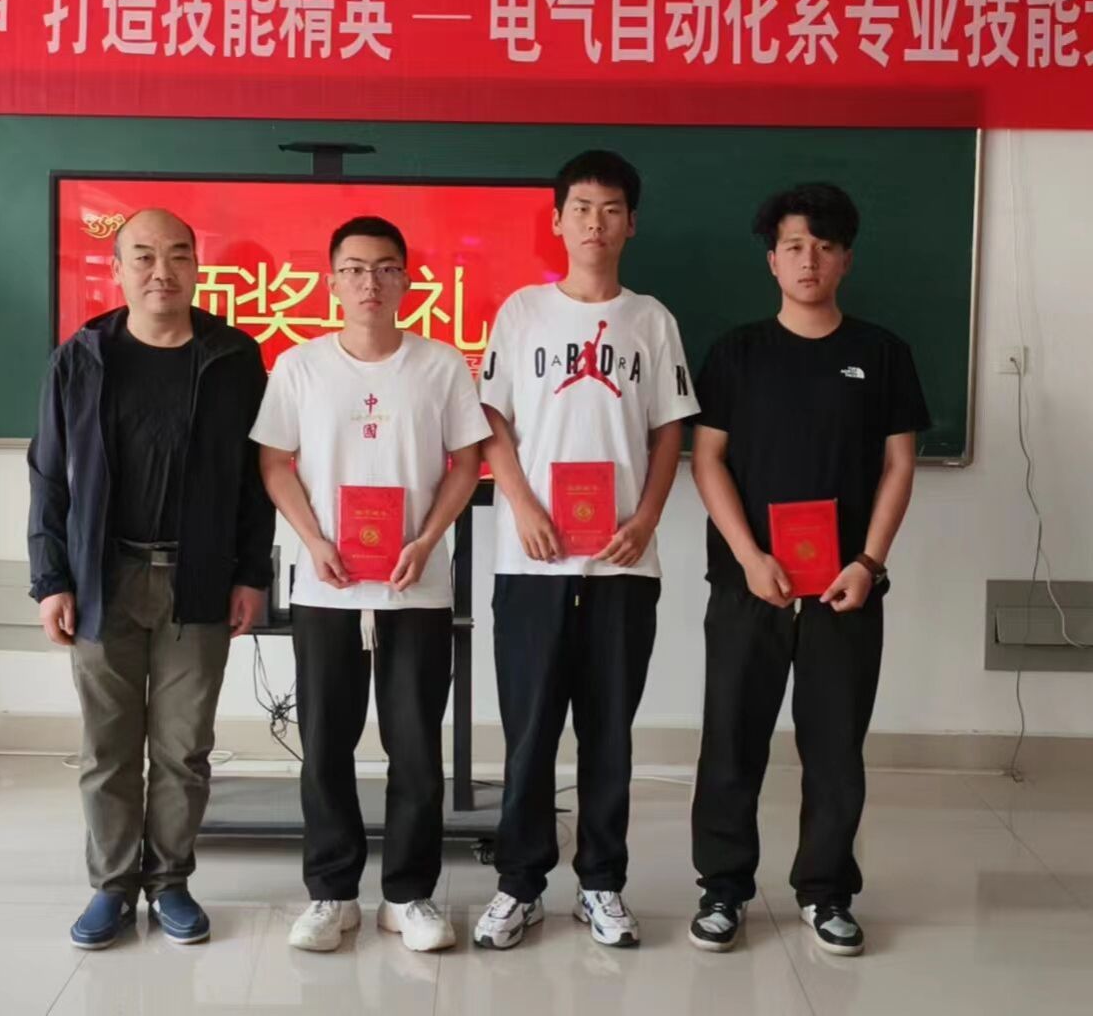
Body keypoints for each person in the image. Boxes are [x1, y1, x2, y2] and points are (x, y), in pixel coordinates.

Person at [687, 182, 930, 958]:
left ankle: (826, 891)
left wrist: (869, 561)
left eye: (825, 247)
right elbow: (707, 458)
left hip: (844, 589)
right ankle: (723, 888)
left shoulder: (882, 353)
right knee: (731, 740)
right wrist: (748, 555)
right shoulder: (736, 352)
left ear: (846, 259)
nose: (809, 260)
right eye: (794, 245)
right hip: (749, 584)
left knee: (834, 748)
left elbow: (899, 465)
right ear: (772, 259)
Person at [27, 208, 274, 951]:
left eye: (177, 255)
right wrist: (50, 578)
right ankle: (111, 885)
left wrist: (252, 573)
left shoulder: (234, 358)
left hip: (199, 579)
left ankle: (169, 881)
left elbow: (256, 481)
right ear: (116, 269)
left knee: (183, 746)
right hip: (103, 577)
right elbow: (48, 474)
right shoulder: (81, 358)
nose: (161, 271)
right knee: (107, 746)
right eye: (143, 256)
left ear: (197, 266)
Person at [473, 150, 699, 951]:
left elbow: (671, 431)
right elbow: (490, 421)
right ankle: (519, 885)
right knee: (530, 732)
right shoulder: (522, 312)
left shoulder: (651, 320)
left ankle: (602, 883)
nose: (594, 223)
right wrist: (522, 504)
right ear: (557, 219)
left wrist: (647, 516)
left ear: (631, 223)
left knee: (609, 734)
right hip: (531, 561)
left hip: (621, 565)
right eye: (581, 208)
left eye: (610, 209)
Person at [251, 216, 489, 954]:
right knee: (326, 744)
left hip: (416, 585)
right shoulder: (299, 366)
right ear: (331, 282)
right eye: (354, 269)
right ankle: (331, 892)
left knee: (415, 747)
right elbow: (274, 463)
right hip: (328, 588)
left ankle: (408, 895)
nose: (369, 283)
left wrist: (428, 539)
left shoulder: (441, 365)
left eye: (385, 268)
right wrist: (314, 541)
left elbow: (467, 463)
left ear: (407, 280)